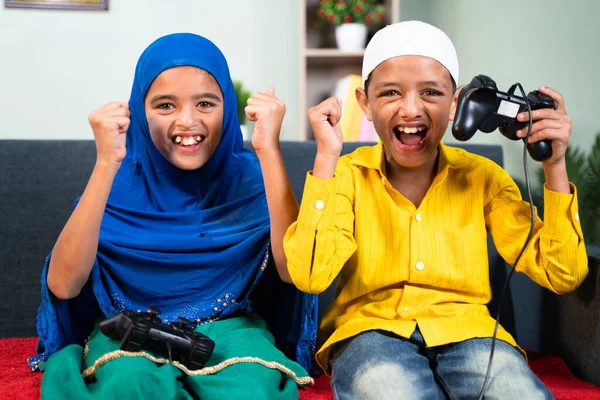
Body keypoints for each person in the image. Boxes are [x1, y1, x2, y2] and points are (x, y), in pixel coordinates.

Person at [284, 20, 588, 399]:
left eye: (430, 92)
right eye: (391, 92)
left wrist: (554, 165)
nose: (411, 110)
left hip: (469, 331)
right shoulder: (345, 176)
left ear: (456, 102)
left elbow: (562, 274)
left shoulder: (483, 177)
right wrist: (327, 157)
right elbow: (310, 276)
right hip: (369, 333)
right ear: (364, 103)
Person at [29, 32, 316, 399]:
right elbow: (63, 285)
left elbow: (295, 269)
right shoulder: (115, 178)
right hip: (129, 328)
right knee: (128, 382)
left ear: (228, 107)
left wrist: (268, 149)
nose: (187, 121)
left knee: (252, 388)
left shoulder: (251, 176)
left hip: (231, 329)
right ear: (139, 109)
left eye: (206, 104)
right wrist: (106, 162)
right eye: (165, 106)